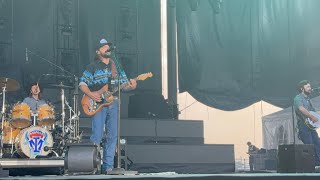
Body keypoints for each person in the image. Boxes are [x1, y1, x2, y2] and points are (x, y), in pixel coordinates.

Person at [79, 38, 137, 174]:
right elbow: (82, 84)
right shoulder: (92, 66)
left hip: (114, 102)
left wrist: (131, 86)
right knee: (97, 135)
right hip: (97, 103)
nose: (107, 48)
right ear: (98, 51)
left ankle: (108, 167)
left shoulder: (116, 66)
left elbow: (124, 86)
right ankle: (93, 166)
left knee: (112, 136)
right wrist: (92, 95)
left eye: (108, 46)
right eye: (104, 46)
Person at [294, 80, 320, 166]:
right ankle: (311, 166)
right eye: (308, 87)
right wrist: (312, 117)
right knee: (309, 146)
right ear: (302, 88)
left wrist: (317, 115)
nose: (310, 88)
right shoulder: (298, 98)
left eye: (310, 86)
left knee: (317, 143)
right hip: (303, 126)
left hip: (310, 126)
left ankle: (317, 164)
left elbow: (313, 111)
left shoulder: (308, 99)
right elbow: (301, 108)